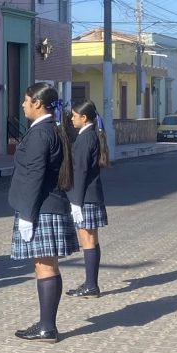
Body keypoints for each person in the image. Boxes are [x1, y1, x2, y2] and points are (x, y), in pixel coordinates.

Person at [9, 83, 77, 343]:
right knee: (47, 266)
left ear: (37, 103)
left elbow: (34, 175)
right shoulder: (50, 129)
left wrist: (27, 214)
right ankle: (47, 323)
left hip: (41, 208)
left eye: (26, 100)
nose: (23, 104)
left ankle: (47, 327)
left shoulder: (40, 133)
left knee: (45, 267)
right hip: (48, 205)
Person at [66, 99, 110, 299]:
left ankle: (91, 285)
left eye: (74, 116)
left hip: (85, 197)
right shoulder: (91, 134)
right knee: (91, 240)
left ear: (84, 118)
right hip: (91, 195)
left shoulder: (85, 138)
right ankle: (91, 282)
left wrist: (76, 201)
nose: (71, 119)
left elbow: (81, 171)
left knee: (88, 241)